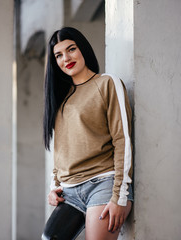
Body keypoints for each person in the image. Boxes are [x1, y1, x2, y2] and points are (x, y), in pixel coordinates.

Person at [42, 27, 133, 240]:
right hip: (69, 193)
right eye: (59, 55)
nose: (66, 58)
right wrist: (54, 185)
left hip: (103, 185)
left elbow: (123, 140)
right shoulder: (60, 98)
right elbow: (61, 148)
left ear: (83, 48)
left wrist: (119, 197)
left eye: (71, 49)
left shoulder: (107, 83)